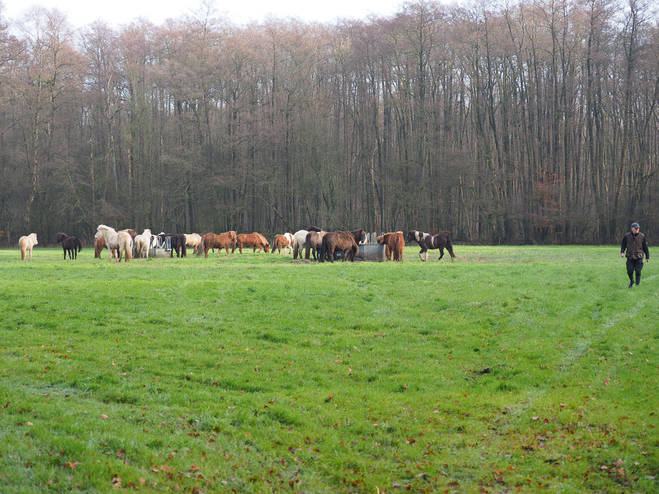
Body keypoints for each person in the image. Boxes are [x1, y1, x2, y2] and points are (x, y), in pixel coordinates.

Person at [620, 222, 650, 287]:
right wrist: (622, 252)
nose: (637, 229)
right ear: (632, 229)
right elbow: (623, 245)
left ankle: (637, 284)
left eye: (638, 228)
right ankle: (632, 281)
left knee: (638, 271)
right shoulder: (626, 236)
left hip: (639, 256)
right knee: (629, 271)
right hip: (630, 256)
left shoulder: (642, 236)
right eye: (636, 228)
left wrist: (647, 257)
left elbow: (645, 247)